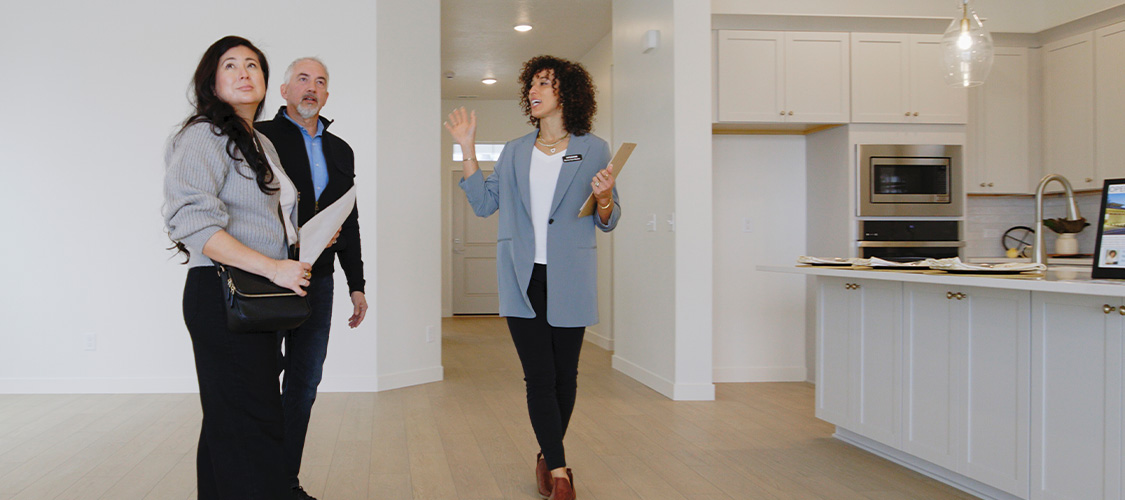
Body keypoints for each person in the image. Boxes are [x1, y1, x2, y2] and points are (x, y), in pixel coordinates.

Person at [444, 55, 620, 500]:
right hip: (523, 276)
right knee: (539, 377)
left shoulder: (594, 147)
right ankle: (560, 471)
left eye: (545, 83)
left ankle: (546, 454)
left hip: (572, 275)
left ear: (568, 93)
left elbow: (610, 217)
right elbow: (484, 205)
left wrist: (602, 198)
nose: (533, 91)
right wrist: (467, 148)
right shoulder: (515, 150)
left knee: (567, 377)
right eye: (532, 84)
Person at [163, 36, 305, 500]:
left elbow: (264, 218)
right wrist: (274, 267)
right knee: (253, 422)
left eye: (253, 65)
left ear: (265, 82)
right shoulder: (205, 134)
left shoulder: (260, 141)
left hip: (255, 295)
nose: (245, 73)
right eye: (231, 65)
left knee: (232, 421)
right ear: (212, 80)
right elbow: (192, 221)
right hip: (223, 293)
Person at [255, 57, 366, 499]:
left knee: (303, 384)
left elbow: (350, 220)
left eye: (320, 82)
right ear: (283, 90)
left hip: (317, 281)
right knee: (260, 380)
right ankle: (256, 481)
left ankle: (284, 484)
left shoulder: (341, 149)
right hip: (266, 277)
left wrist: (357, 283)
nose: (311, 88)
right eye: (303, 79)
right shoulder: (259, 138)